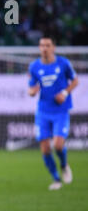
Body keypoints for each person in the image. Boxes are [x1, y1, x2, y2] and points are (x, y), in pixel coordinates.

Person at [28, 36, 79, 190]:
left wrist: (64, 93)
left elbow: (75, 81)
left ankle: (64, 165)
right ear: (39, 48)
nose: (44, 48)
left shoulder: (63, 63)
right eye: (42, 45)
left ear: (53, 47)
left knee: (57, 145)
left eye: (47, 45)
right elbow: (31, 88)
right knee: (45, 148)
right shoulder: (34, 66)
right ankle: (56, 179)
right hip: (43, 111)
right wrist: (32, 91)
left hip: (61, 111)